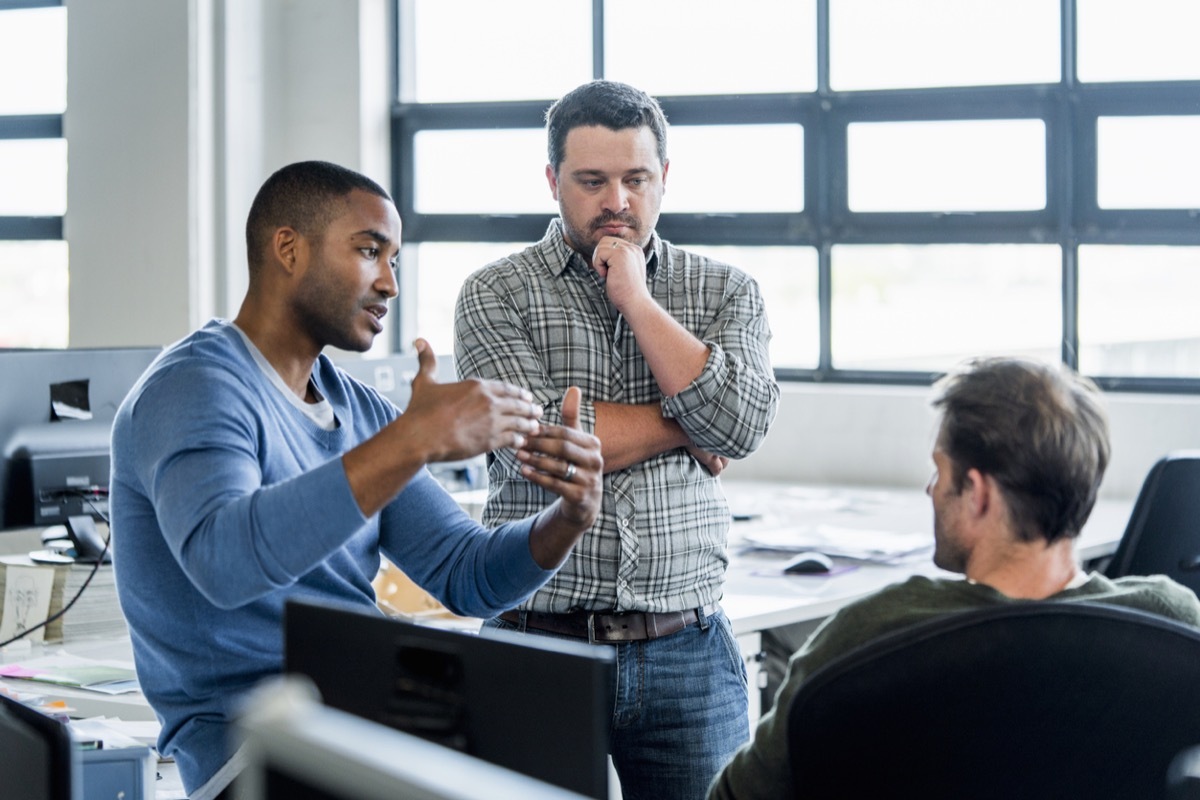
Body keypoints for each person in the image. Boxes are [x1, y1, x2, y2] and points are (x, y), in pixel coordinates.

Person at [109, 160, 603, 799]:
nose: (390, 283)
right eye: (370, 252)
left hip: (364, 718)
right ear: (288, 249)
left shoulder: (360, 408)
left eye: (394, 259)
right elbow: (225, 561)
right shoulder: (195, 388)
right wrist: (414, 438)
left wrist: (567, 519)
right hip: (254, 748)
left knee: (575, 763)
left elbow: (467, 574)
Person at [453, 80, 780, 799]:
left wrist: (635, 297)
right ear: (552, 181)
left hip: (688, 647)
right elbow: (538, 450)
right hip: (535, 645)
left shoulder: (724, 290)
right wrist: (687, 417)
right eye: (592, 181)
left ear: (665, 178)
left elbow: (740, 427)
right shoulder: (495, 293)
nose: (617, 202)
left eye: (636, 179)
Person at [707, 356, 1200, 800]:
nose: (931, 489)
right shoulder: (1175, 623)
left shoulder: (868, 635)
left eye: (939, 472)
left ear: (978, 494)